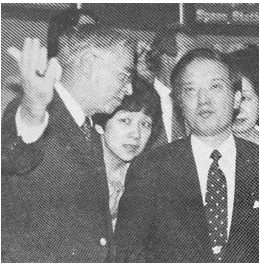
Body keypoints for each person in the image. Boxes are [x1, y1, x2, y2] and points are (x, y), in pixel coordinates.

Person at [110, 48, 259, 262]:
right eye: (190, 90)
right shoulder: (151, 168)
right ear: (179, 103)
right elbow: (128, 253)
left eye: (215, 86)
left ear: (236, 99)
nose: (203, 100)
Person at [1, 25, 134, 262]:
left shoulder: (89, 129)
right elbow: (14, 157)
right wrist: (33, 109)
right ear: (87, 64)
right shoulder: (35, 111)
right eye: (124, 75)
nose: (129, 88)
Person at [91, 87, 159, 230]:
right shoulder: (77, 171)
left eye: (144, 124)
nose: (136, 134)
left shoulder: (150, 180)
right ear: (100, 125)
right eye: (125, 120)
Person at [144, 24, 196, 143]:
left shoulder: (196, 100)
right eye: (188, 54)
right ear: (165, 56)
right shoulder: (141, 96)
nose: (194, 61)